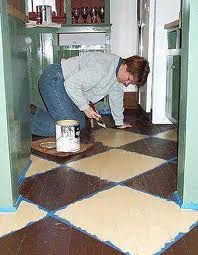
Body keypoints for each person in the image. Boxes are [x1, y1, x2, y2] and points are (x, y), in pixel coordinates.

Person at [30, 52, 150, 136]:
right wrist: (86, 108)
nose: (127, 83)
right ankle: (24, 125)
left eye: (131, 82)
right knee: (71, 127)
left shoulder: (117, 75)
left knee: (80, 122)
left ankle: (35, 113)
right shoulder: (102, 69)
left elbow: (116, 98)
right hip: (54, 79)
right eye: (129, 79)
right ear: (125, 66)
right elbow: (71, 84)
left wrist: (119, 123)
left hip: (63, 84)